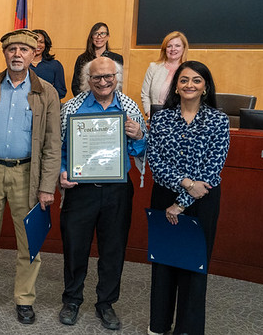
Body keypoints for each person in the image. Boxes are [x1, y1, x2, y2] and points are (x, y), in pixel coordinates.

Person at [0, 29, 61, 324]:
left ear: (33, 55)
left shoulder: (47, 92)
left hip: (28, 175)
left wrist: (47, 186)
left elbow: (53, 144)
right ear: (4, 53)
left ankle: (25, 299)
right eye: (12, 49)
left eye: (24, 50)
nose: (17, 54)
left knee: (29, 242)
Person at [58, 56, 146, 330]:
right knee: (75, 246)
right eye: (97, 77)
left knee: (113, 248)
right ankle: (72, 299)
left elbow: (141, 151)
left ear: (117, 77)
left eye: (109, 76)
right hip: (80, 190)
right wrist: (61, 172)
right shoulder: (71, 107)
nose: (104, 81)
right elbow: (59, 147)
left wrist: (139, 136)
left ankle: (106, 302)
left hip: (117, 191)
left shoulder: (129, 106)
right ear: (88, 80)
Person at [147, 61, 229, 335]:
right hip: (164, 197)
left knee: (194, 264)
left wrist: (182, 202)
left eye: (196, 80)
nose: (189, 85)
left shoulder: (219, 120)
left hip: (202, 201)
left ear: (206, 86)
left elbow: (213, 165)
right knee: (164, 261)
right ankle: (159, 324)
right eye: (184, 80)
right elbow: (155, 162)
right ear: (176, 86)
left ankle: (188, 328)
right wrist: (185, 184)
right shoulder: (161, 119)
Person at [141, 31, 189, 118]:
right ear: (164, 49)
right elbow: (145, 94)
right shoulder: (153, 67)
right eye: (169, 46)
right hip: (156, 116)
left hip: (181, 118)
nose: (173, 49)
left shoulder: (189, 70)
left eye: (177, 46)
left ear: (184, 48)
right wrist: (150, 114)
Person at [70, 22, 124, 97]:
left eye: (102, 33)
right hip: (86, 102)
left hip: (109, 102)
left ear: (108, 36)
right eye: (96, 33)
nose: (99, 37)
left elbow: (118, 85)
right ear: (91, 37)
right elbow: (75, 85)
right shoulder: (82, 58)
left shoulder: (117, 58)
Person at [30, 29, 67, 99]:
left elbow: (61, 91)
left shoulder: (55, 65)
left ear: (45, 44)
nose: (38, 45)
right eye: (34, 41)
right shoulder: (22, 65)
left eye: (41, 42)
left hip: (49, 105)